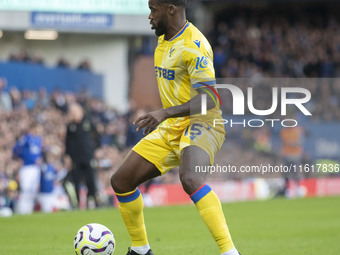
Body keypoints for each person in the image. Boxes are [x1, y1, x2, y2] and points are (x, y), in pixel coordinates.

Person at [110, 1, 240, 255]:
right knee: (121, 181)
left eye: (153, 9)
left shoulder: (194, 45)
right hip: (172, 125)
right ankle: (141, 250)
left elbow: (210, 98)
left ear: (171, 10)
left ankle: (229, 252)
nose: (149, 16)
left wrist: (164, 112)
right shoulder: (163, 38)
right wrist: (166, 116)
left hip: (203, 122)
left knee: (190, 178)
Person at [65, 103, 101, 208]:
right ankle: (76, 203)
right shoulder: (70, 126)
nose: (72, 114)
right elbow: (67, 142)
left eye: (74, 112)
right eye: (71, 112)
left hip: (88, 156)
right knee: (76, 179)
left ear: (80, 111)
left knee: (91, 179)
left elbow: (97, 137)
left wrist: (97, 149)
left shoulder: (88, 122)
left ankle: (94, 200)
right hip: (75, 158)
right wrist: (67, 156)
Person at [13, 122, 43, 214]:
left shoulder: (39, 140)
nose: (39, 131)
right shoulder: (26, 138)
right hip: (27, 167)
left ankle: (28, 210)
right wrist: (19, 158)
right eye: (38, 129)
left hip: (36, 168)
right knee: (25, 189)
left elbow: (37, 153)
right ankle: (21, 210)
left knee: (33, 190)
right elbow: (15, 148)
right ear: (33, 129)